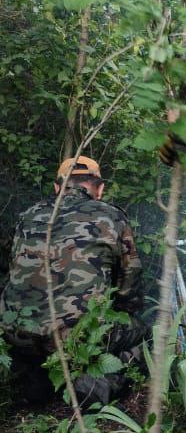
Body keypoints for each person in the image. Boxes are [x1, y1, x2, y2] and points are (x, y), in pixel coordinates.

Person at [0, 156, 145, 404]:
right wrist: (120, 312)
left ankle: (33, 380)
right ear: (99, 189)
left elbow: (9, 271)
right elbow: (128, 287)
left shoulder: (27, 216)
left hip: (18, 333)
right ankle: (95, 385)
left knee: (40, 335)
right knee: (146, 332)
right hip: (77, 336)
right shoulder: (112, 217)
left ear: (57, 188)